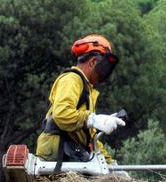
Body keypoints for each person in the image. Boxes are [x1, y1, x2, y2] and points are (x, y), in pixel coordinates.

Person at [36, 34, 123, 167]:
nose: (105, 73)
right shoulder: (71, 79)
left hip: (72, 150)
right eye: (104, 66)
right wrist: (92, 119)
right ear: (93, 62)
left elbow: (91, 138)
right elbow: (61, 114)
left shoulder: (87, 89)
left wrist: (110, 164)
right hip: (57, 152)